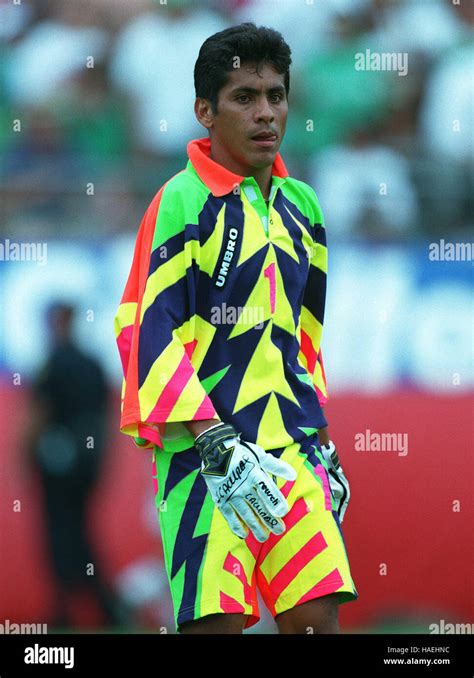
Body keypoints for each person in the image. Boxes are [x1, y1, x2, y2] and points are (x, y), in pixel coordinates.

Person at [114, 23, 357, 634]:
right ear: (205, 110)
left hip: (293, 454)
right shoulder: (179, 201)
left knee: (318, 622)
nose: (265, 114)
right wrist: (211, 438)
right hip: (205, 458)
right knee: (217, 629)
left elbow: (305, 338)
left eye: (275, 96)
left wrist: (322, 443)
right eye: (244, 98)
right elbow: (145, 331)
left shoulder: (305, 206)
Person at [26, 302, 123, 628]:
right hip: (87, 463)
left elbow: (40, 413)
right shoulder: (93, 364)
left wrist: (25, 456)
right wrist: (100, 461)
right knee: (77, 531)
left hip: (57, 463)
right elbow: (107, 418)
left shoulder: (52, 363)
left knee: (60, 534)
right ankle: (100, 606)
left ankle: (77, 609)